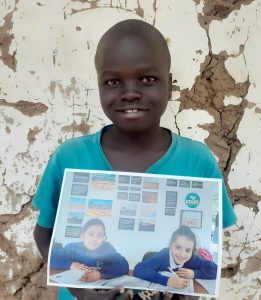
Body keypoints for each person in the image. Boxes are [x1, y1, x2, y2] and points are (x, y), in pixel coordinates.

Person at [33, 19, 237, 300]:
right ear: (99, 86)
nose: (130, 92)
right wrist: (82, 292)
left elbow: (207, 249)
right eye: (113, 81)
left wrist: (184, 293)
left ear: (170, 83)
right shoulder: (69, 157)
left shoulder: (198, 161)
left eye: (148, 79)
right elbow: (43, 235)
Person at [133, 226, 217, 289]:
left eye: (188, 250)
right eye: (178, 247)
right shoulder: (163, 255)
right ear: (170, 245)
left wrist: (195, 273)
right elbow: (139, 269)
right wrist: (167, 280)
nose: (182, 254)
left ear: (192, 251)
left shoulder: (193, 259)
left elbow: (216, 269)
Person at [50, 218, 129, 282]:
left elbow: (124, 264)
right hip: (75, 286)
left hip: (98, 289)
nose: (94, 239)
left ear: (103, 238)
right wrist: (70, 264)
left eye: (99, 235)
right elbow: (50, 257)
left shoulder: (107, 248)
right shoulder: (72, 248)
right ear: (82, 236)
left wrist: (100, 274)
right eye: (90, 234)